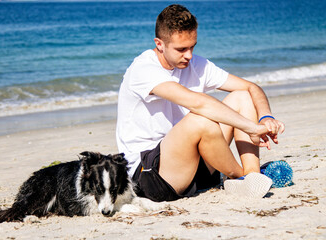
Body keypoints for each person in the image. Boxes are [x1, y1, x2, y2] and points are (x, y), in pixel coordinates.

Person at [116, 4, 285, 202]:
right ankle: (240, 177)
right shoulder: (143, 69)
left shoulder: (196, 64)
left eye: (192, 47)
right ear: (159, 44)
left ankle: (252, 177)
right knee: (200, 119)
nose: (188, 55)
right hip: (150, 176)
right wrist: (252, 128)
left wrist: (266, 118)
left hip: (194, 167)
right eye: (181, 49)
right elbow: (197, 103)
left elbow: (251, 87)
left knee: (241, 96)